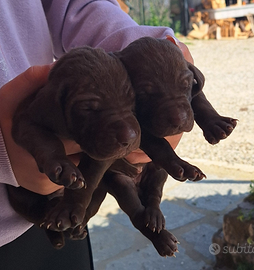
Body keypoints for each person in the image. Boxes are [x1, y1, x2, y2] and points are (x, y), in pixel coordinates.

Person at [0, 0, 194, 269]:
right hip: (12, 212)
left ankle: (64, 224)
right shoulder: (49, 108)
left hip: (57, 218)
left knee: (103, 184)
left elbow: (75, 5)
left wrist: (148, 48)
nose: (128, 129)